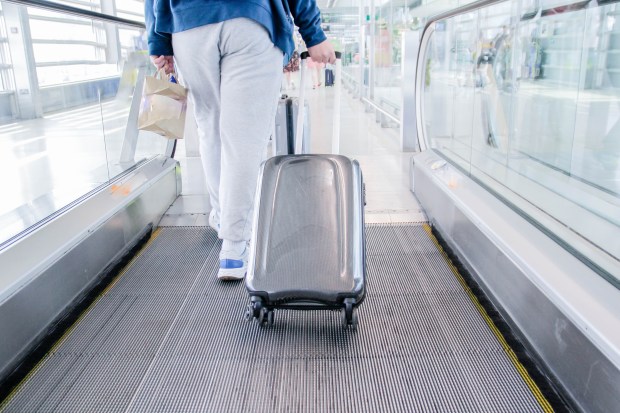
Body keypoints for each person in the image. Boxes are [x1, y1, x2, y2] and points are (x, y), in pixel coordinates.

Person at [145, 1, 335, 281]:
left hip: (189, 25)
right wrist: (313, 32)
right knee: (243, 136)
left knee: (210, 127)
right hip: (251, 19)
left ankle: (223, 216)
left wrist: (158, 40)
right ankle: (234, 248)